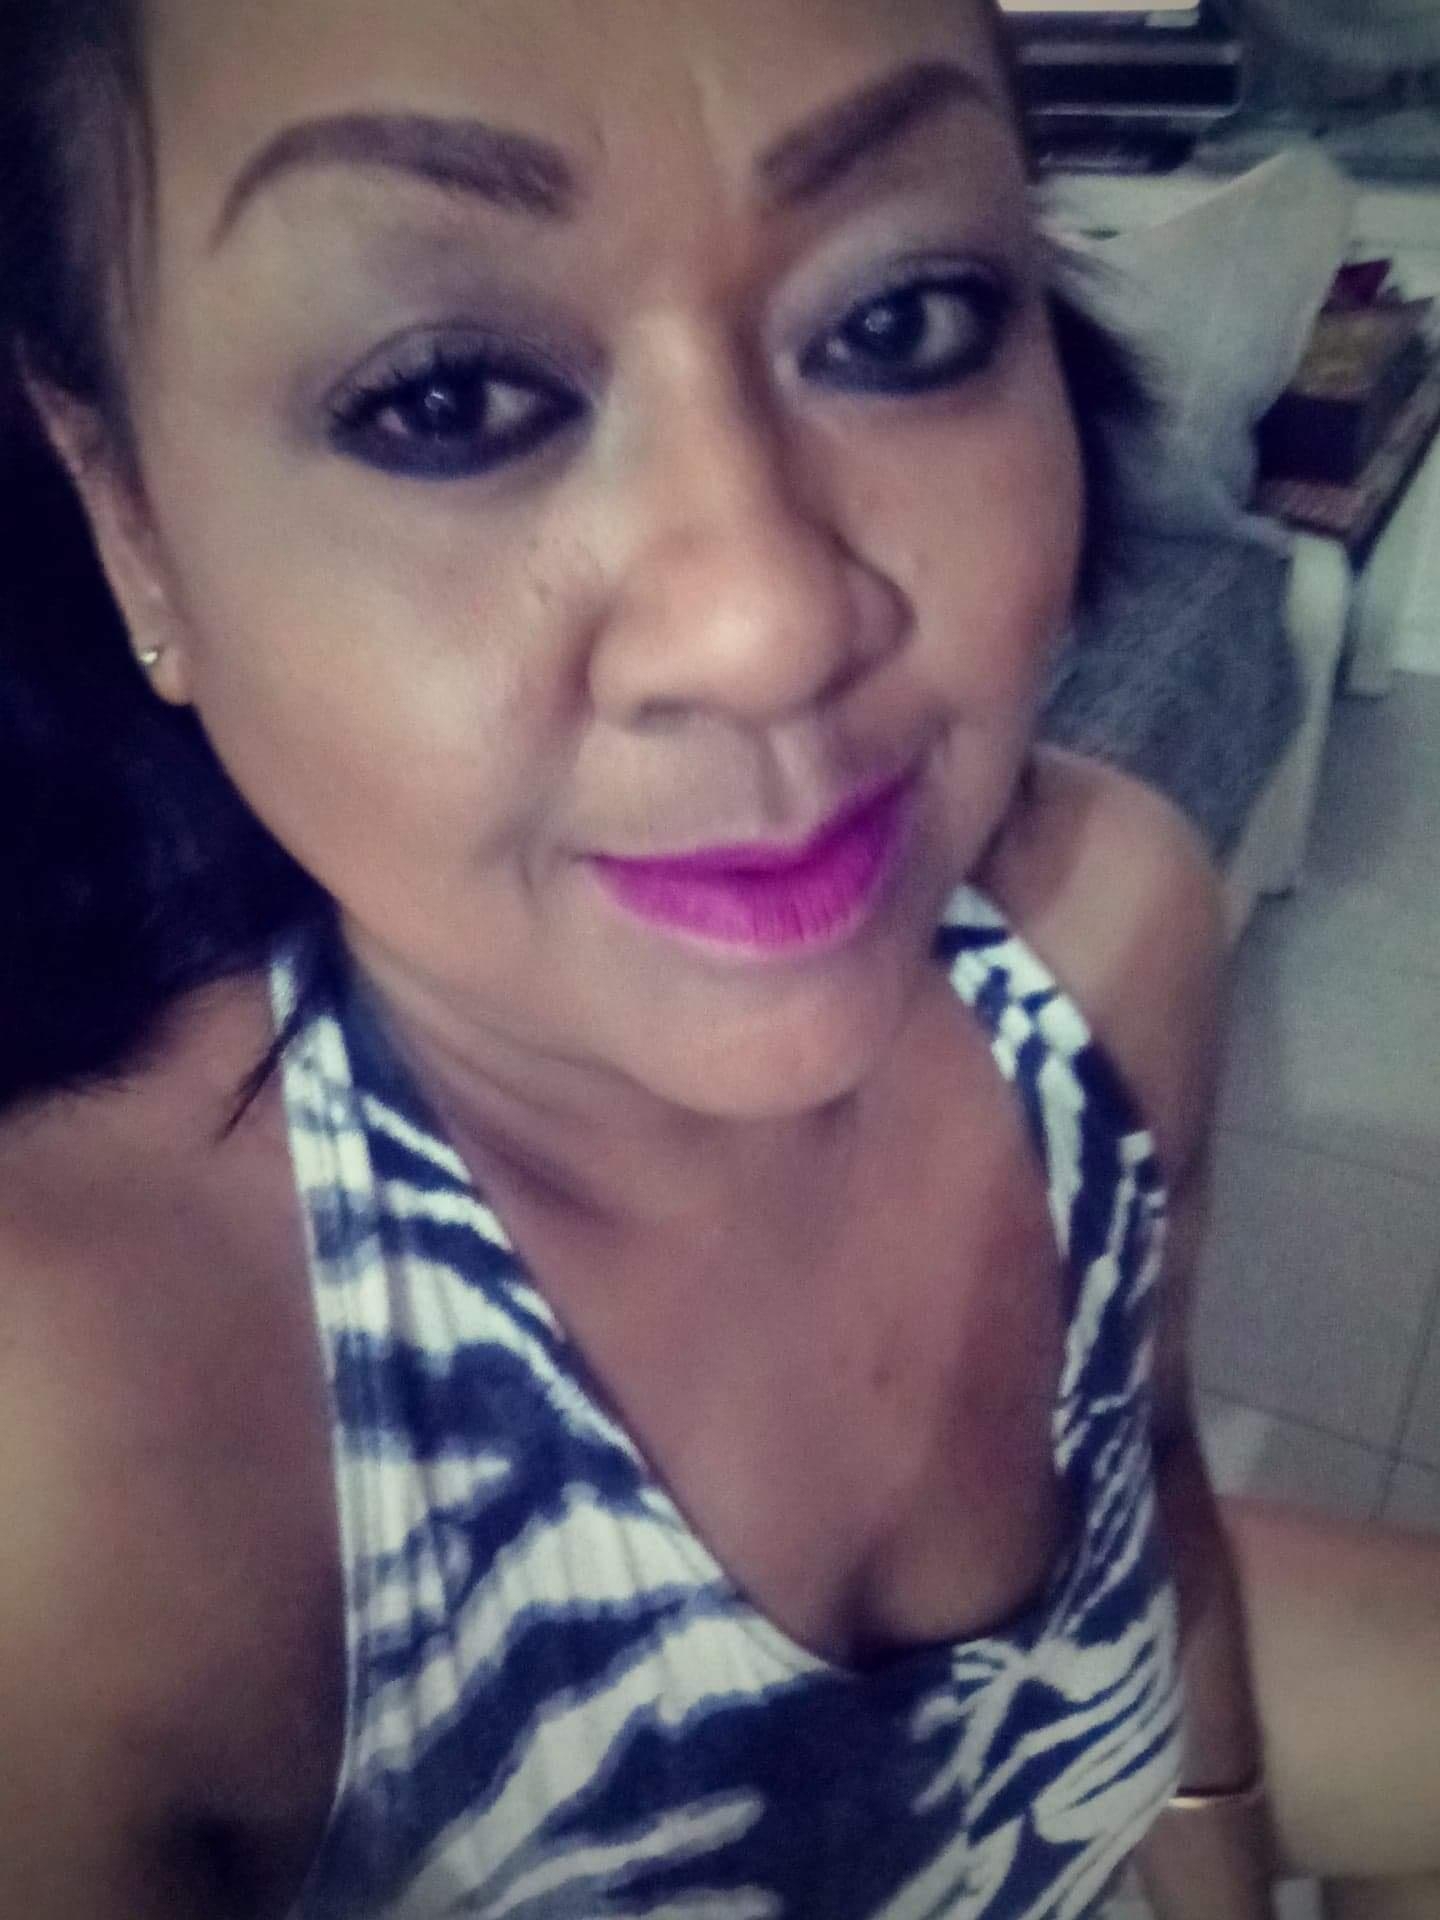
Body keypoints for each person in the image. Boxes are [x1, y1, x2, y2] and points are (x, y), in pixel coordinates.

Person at [0, 1, 1436, 1915]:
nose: (768, 624)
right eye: (448, 398)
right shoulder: (81, 1438)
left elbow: (1147, 1482)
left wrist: (1216, 1854)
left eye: (904, 319)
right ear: (129, 521)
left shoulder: (1106, 935)